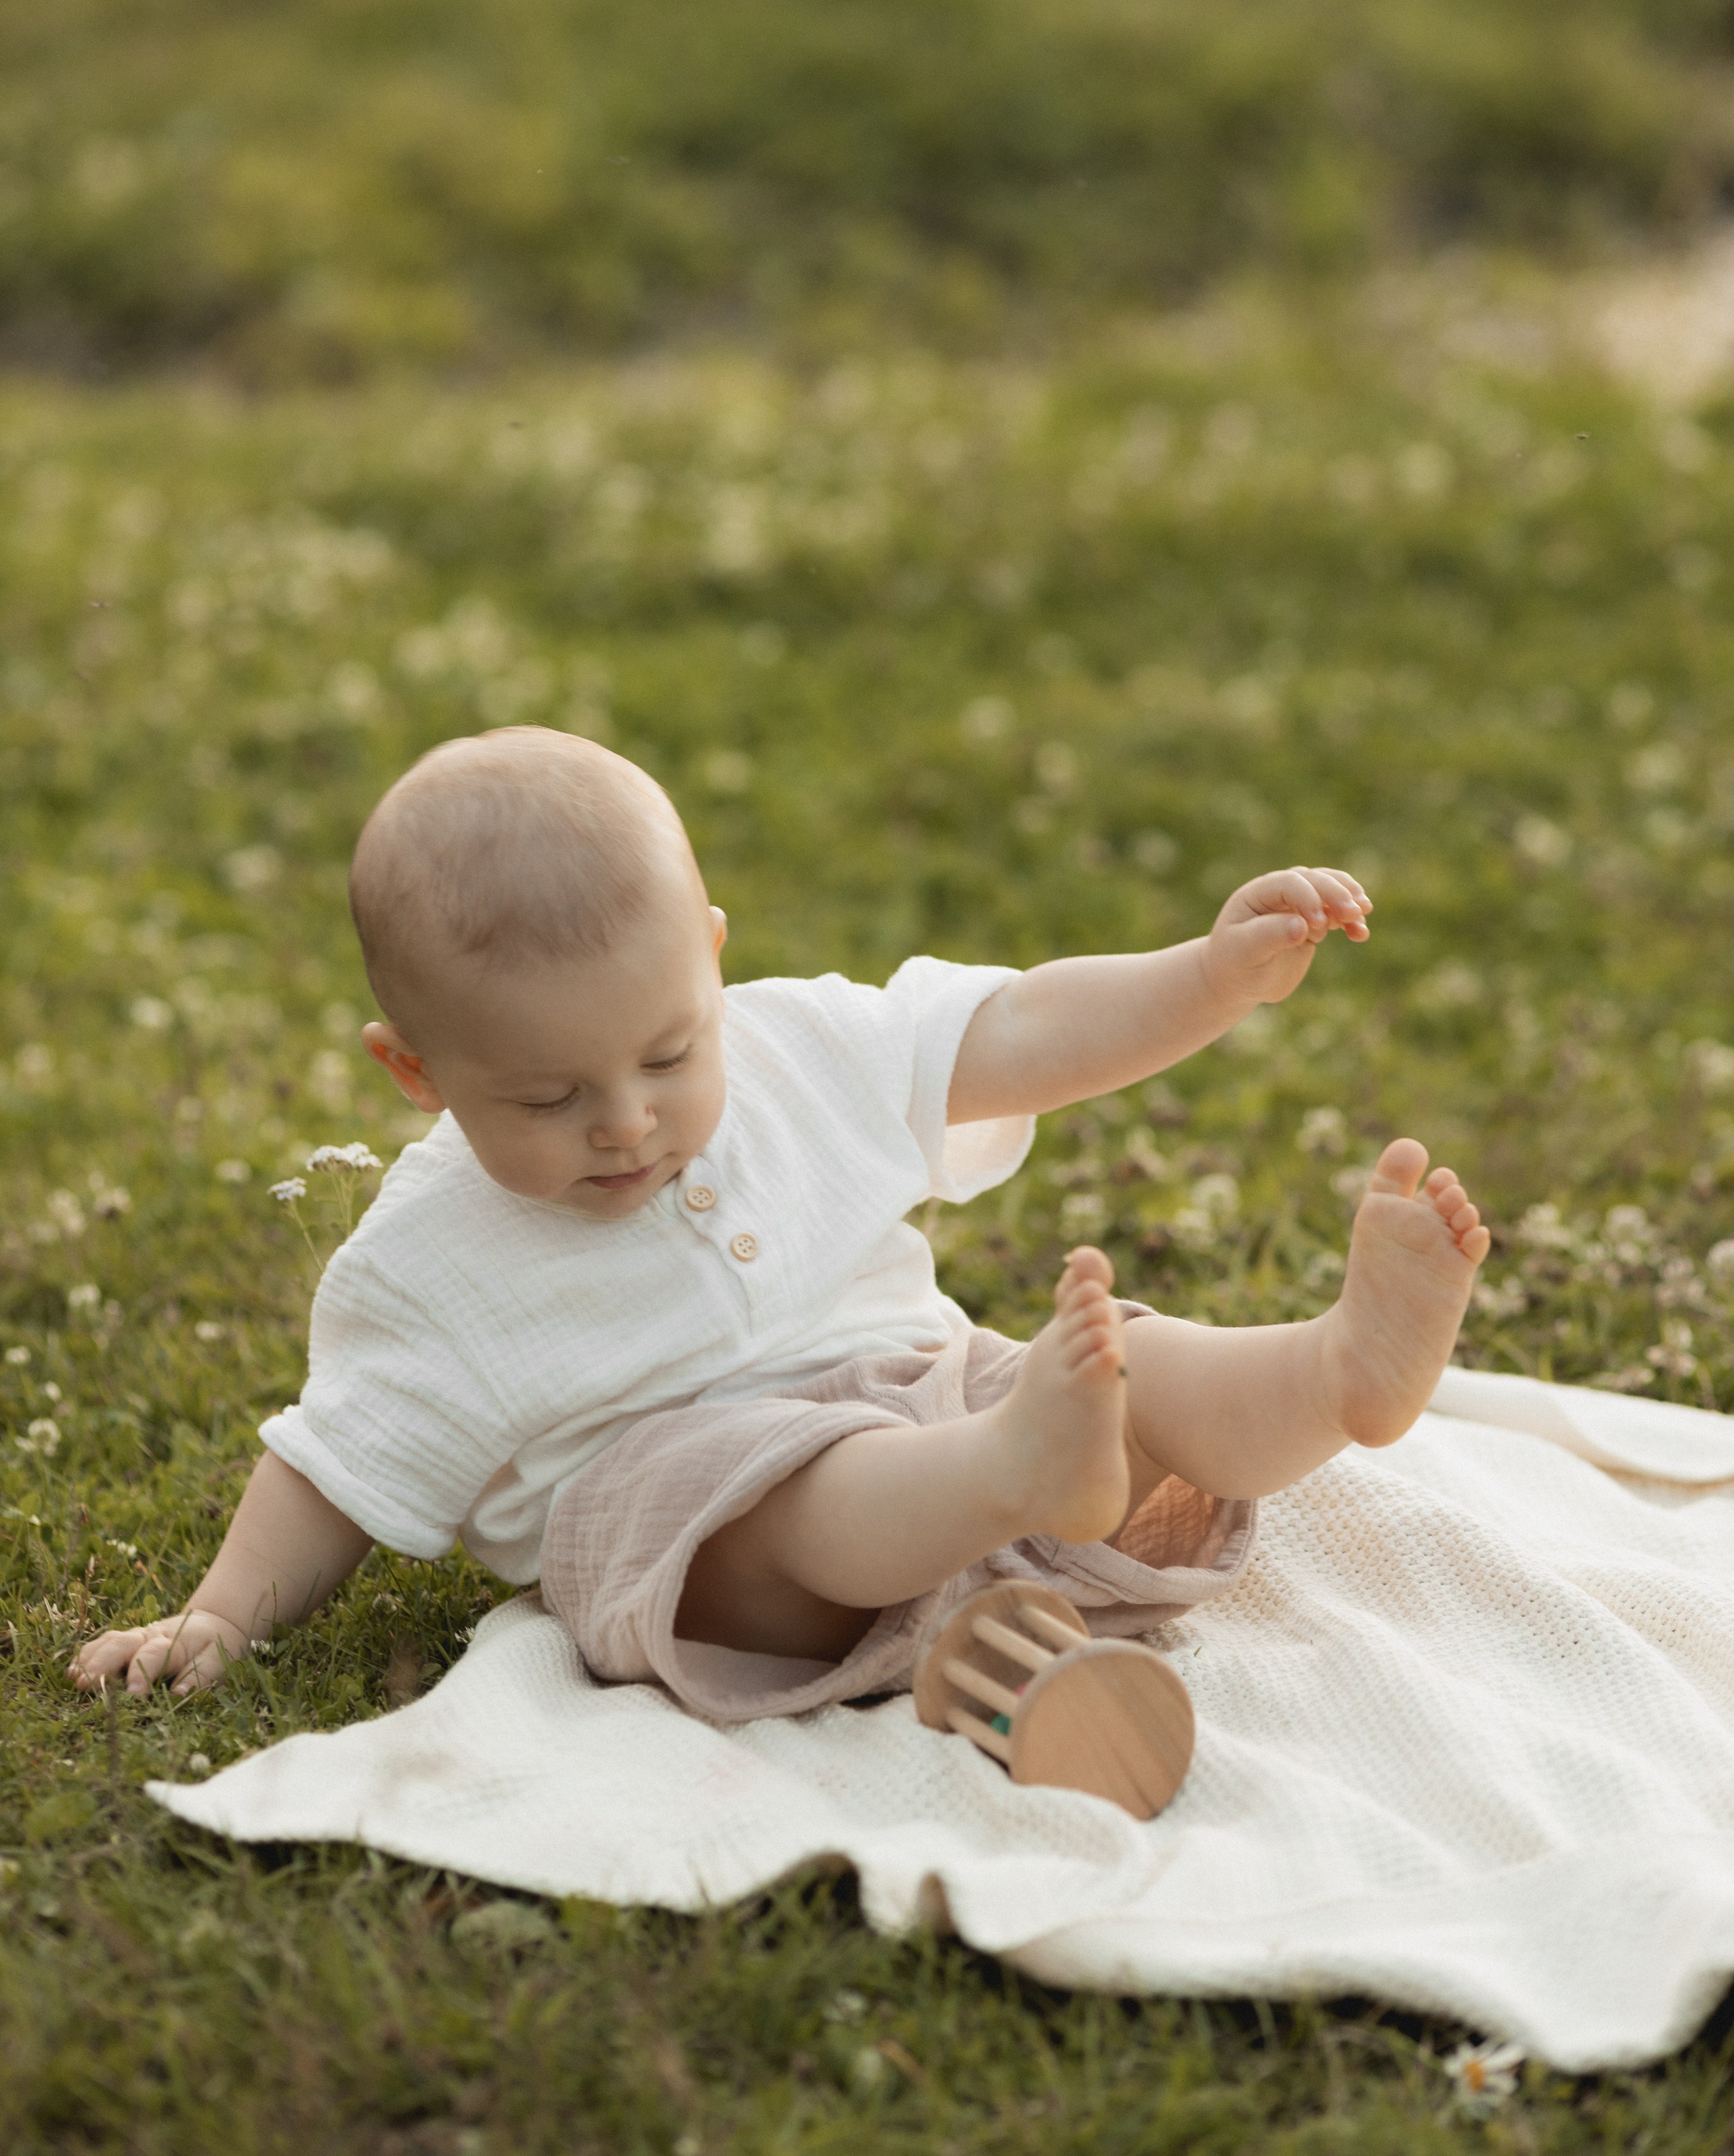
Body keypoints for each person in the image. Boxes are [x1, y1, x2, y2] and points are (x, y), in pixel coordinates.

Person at [70, 727, 1489, 1718]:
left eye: (669, 1055)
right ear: (418, 1073)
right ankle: (1011, 1472)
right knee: (798, 1493)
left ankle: (1329, 1374)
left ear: (714, 960)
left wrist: (1207, 975)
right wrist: (219, 1612)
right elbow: (335, 1462)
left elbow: (1016, 1029)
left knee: (1138, 1368)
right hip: (681, 1512)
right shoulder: (429, 1259)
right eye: (550, 1095)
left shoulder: (799, 1044)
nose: (625, 1121)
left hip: (935, 1402)